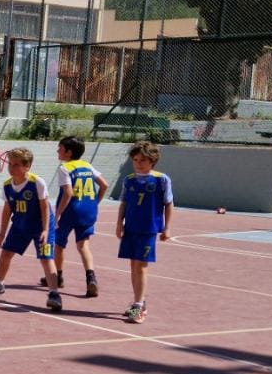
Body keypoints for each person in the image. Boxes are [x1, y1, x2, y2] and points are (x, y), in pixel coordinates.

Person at [0, 148, 62, 311]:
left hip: (41, 225)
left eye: (16, 164)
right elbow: (7, 209)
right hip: (20, 224)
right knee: (6, 253)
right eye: (10, 163)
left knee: (46, 258)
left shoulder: (36, 182)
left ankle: (54, 294)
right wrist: (2, 233)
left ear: (27, 166)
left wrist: (45, 230)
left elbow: (44, 207)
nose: (11, 167)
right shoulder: (8, 185)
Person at [39, 135, 110, 296]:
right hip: (89, 211)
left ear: (68, 153)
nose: (58, 150)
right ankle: (91, 277)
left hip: (70, 211)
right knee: (83, 246)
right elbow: (104, 185)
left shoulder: (65, 168)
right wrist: (95, 202)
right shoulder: (87, 166)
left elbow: (68, 193)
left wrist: (57, 214)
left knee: (58, 244)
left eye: (60, 148)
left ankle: (58, 276)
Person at [115, 141, 174, 324]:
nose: (138, 163)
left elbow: (168, 203)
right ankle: (138, 301)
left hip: (148, 229)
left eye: (142, 160)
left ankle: (139, 306)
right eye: (135, 160)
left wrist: (167, 227)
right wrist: (119, 223)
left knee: (141, 266)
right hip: (131, 227)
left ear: (152, 160)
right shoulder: (129, 180)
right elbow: (124, 203)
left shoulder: (161, 179)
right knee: (133, 266)